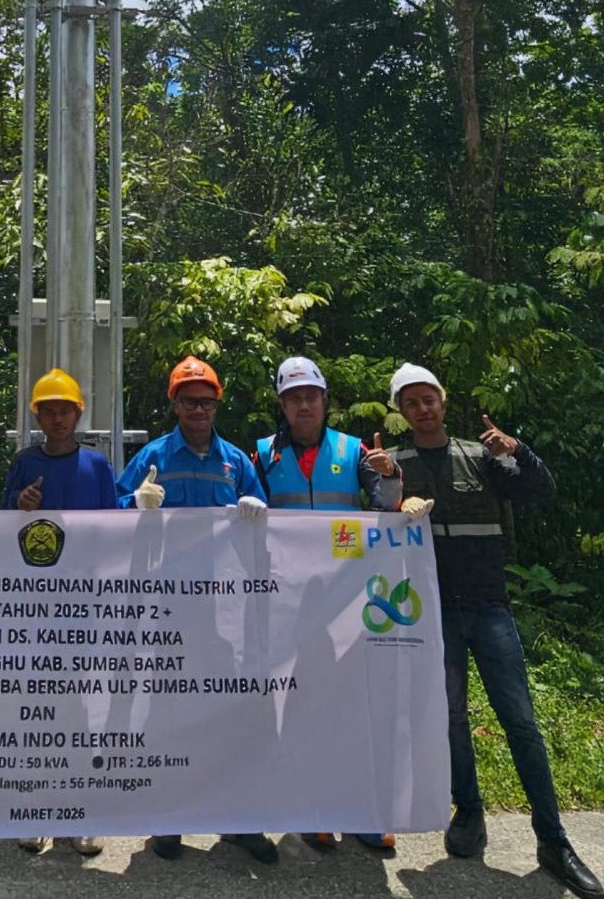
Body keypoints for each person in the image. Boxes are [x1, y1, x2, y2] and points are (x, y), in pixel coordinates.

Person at [388, 363, 604, 899]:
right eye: (411, 402)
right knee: (452, 718)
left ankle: (553, 841)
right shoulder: (395, 465)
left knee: (521, 722)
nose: (423, 408)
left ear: (443, 401)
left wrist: (518, 452)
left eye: (429, 398)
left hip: (489, 608)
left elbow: (540, 491)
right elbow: (370, 516)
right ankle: (469, 813)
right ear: (401, 412)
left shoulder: (481, 454)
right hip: (433, 613)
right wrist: (382, 487)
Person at [115, 356, 276, 866]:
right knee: (167, 715)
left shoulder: (236, 463)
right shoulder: (153, 457)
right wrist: (134, 504)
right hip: (167, 611)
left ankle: (239, 819)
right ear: (175, 404)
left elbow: (268, 522)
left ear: (217, 404)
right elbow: (110, 515)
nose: (198, 409)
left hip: (225, 611)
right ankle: (168, 817)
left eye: (206, 400)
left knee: (228, 711)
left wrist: (256, 509)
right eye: (189, 400)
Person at [255, 355, 402, 855]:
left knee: (357, 707)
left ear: (324, 400)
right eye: (293, 398)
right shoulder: (261, 456)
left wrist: (391, 474)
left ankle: (364, 811)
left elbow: (388, 505)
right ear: (281, 404)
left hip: (348, 600)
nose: (303, 405)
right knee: (301, 707)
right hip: (290, 602)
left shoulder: (355, 449)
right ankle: (314, 809)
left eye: (311, 396)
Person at [0, 368, 115, 858]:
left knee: (81, 707)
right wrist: (20, 507)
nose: (57, 418)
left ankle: (80, 812)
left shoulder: (98, 465)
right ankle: (37, 809)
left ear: (78, 414)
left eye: (65, 410)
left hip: (84, 605)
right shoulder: (25, 464)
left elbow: (117, 529)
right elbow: (0, 529)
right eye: (48, 411)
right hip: (35, 608)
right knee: (38, 708)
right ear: (38, 417)